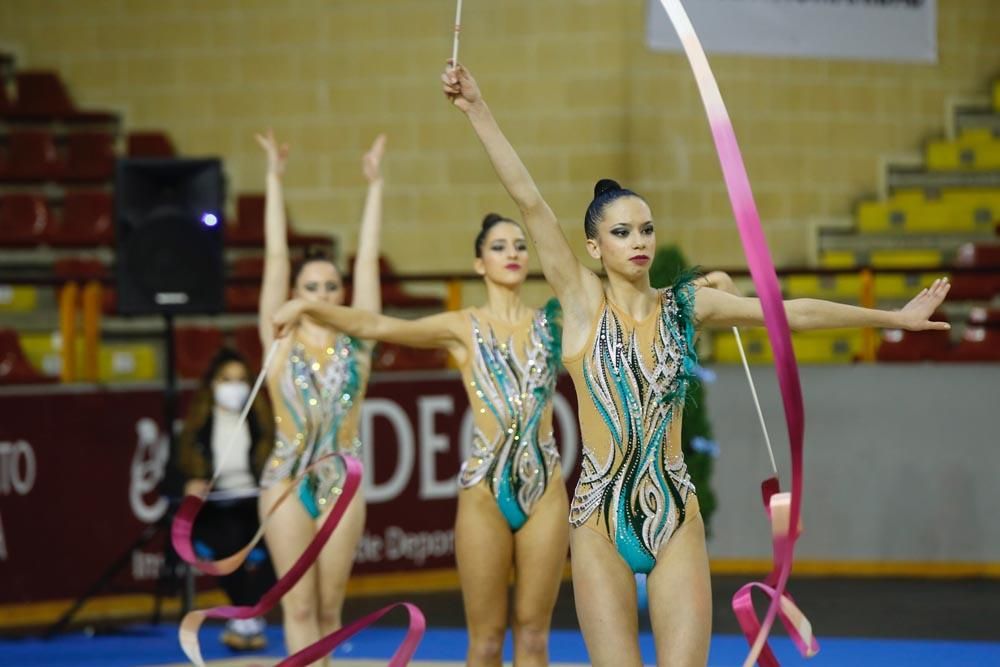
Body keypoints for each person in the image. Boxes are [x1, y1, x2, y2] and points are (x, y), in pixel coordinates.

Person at [442, 62, 951, 666]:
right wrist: (478, 109)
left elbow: (789, 312)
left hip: (674, 513)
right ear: (593, 246)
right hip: (598, 524)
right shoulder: (580, 306)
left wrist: (893, 319)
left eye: (647, 229)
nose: (640, 241)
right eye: (623, 231)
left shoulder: (688, 304)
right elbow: (528, 199)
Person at [272, 210, 568, 667]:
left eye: (519, 245)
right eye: (499, 246)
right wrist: (310, 308)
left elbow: (621, 310)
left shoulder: (551, 322)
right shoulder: (461, 326)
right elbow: (376, 326)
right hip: (484, 490)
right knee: (486, 640)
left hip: (545, 488)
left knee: (533, 635)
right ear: (478, 264)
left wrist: (692, 295)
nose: (512, 253)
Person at [254, 129, 387, 663]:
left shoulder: (358, 347)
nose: (324, 296)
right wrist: (273, 179)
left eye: (332, 287)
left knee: (330, 610)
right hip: (286, 479)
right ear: (295, 296)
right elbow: (273, 257)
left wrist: (375, 186)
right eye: (312, 288)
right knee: (299, 608)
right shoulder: (278, 341)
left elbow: (369, 261)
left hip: (343, 481)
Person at [175, 347, 276, 651]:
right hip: (214, 508)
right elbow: (174, 474)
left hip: (256, 503)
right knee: (230, 539)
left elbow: (275, 463)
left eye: (241, 380)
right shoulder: (197, 428)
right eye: (226, 379)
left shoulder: (261, 423)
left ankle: (244, 618)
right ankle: (247, 617)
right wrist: (189, 484)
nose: (234, 387)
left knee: (279, 537)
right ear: (212, 384)